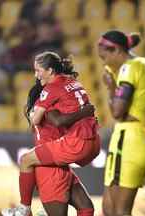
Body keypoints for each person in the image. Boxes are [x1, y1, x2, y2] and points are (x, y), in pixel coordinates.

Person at [2, 51, 101, 216]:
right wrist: (85, 112)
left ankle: (24, 208)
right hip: (73, 152)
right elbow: (61, 119)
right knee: (86, 208)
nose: (36, 74)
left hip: (57, 163)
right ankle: (26, 210)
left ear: (50, 71)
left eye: (38, 70)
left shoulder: (51, 94)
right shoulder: (71, 85)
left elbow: (47, 120)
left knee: (26, 159)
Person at [97, 30, 145, 215]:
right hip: (140, 136)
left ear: (116, 50)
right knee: (108, 210)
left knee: (120, 212)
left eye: (105, 56)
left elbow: (117, 111)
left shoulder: (129, 68)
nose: (104, 62)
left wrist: (110, 88)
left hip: (130, 139)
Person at [24, 80, 96, 216]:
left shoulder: (39, 108)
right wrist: (84, 112)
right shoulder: (50, 108)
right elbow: (59, 121)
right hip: (50, 170)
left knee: (86, 208)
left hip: (58, 162)